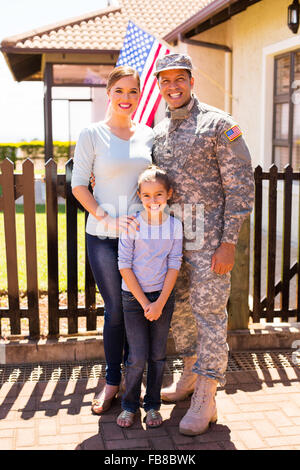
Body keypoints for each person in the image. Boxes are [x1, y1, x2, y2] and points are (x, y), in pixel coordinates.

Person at [152, 53, 254, 435]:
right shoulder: (160, 130)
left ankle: (207, 395)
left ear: (192, 81)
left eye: (180, 78)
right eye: (165, 80)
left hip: (209, 239)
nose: (172, 86)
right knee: (180, 312)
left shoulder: (219, 124)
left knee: (209, 315)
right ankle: (191, 376)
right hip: (173, 240)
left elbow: (241, 186)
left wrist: (228, 242)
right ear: (159, 86)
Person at [71, 66, 154, 415]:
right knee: (116, 310)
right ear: (109, 93)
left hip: (141, 240)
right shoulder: (92, 134)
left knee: (138, 308)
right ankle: (112, 381)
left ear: (139, 95)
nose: (126, 98)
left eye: (133, 92)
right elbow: (79, 185)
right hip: (104, 238)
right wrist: (108, 217)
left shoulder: (149, 135)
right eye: (119, 91)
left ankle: (136, 381)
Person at [116, 165, 183, 428]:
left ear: (169, 194)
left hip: (163, 298)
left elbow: (174, 264)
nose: (152, 200)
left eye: (158, 194)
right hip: (134, 299)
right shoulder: (132, 225)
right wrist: (146, 303)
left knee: (157, 355)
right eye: (146, 195)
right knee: (137, 356)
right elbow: (124, 265)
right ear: (139, 196)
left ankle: (153, 406)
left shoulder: (174, 226)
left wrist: (160, 303)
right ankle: (130, 405)